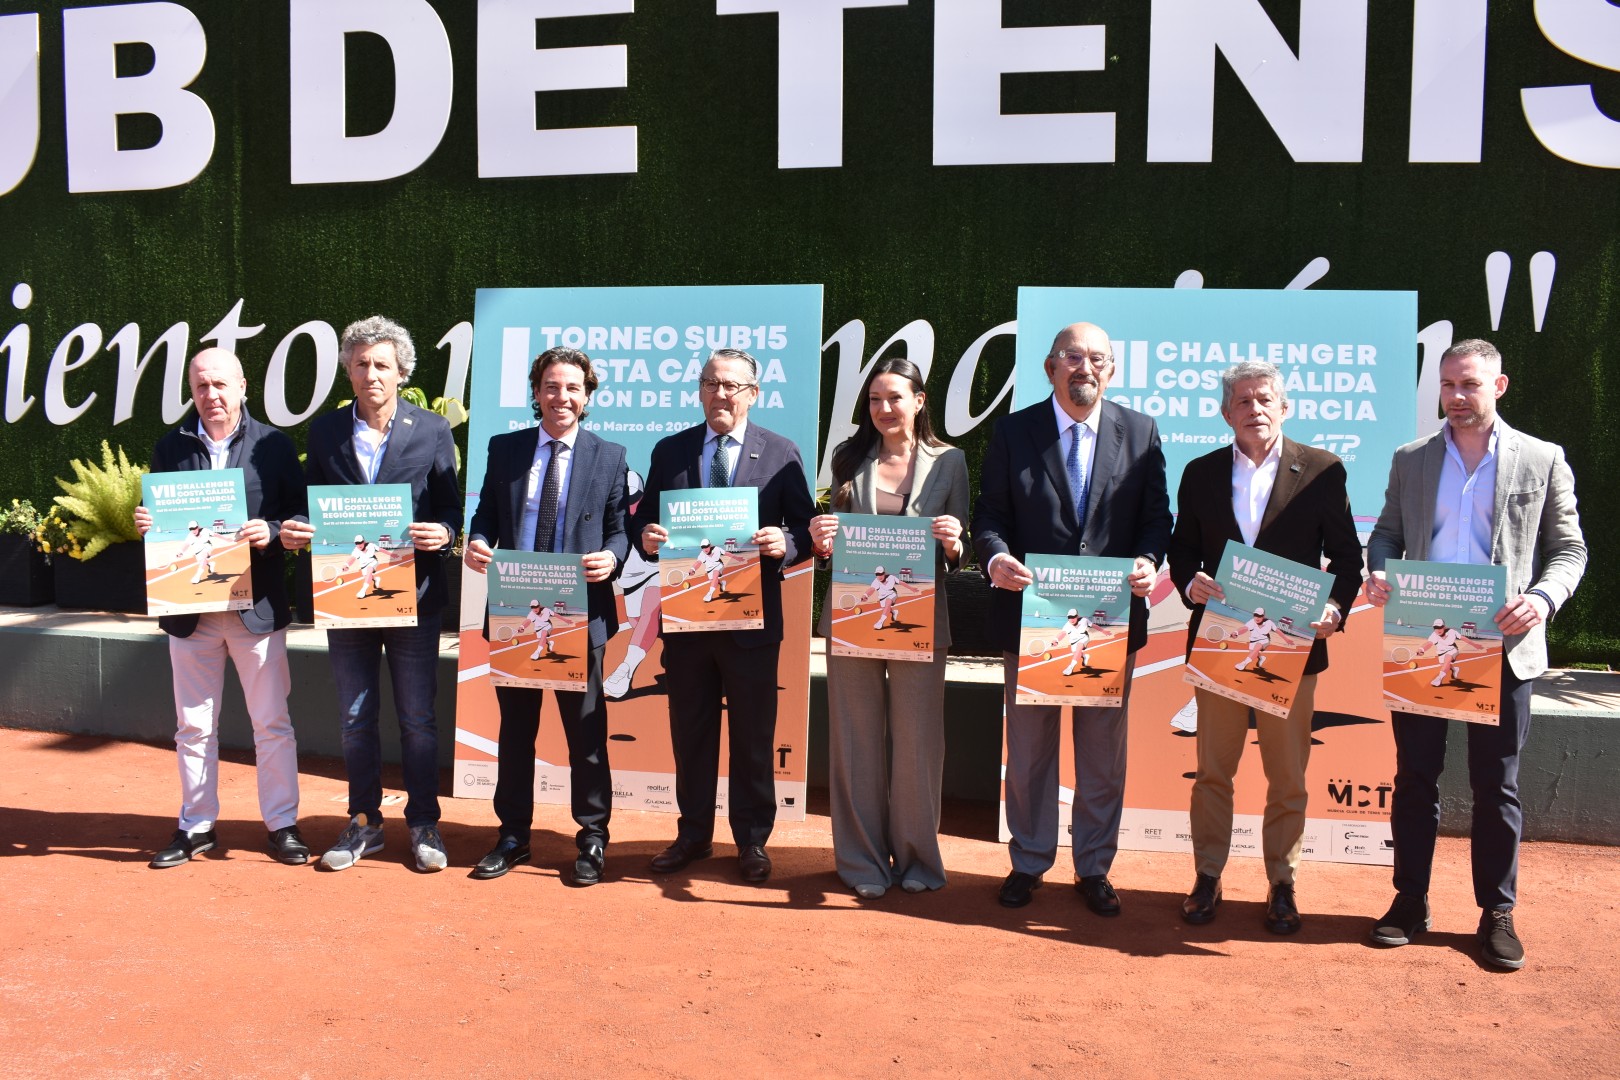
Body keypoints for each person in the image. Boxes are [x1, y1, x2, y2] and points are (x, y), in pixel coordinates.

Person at [1365, 338, 1585, 970]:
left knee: (1497, 786)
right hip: (1422, 638)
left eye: (1470, 385)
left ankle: (1497, 912)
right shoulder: (1411, 458)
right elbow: (1387, 534)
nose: (1457, 397)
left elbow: (1569, 549)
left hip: (1505, 645)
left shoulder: (1542, 458)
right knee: (1414, 779)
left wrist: (1541, 598)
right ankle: (1410, 900)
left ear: (1499, 386)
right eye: (1448, 385)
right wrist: (1378, 571)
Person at [972, 322, 1172, 913]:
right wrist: (996, 558)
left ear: (1111, 369)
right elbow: (990, 516)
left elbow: (1156, 518)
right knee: (1030, 753)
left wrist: (1148, 560)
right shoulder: (1014, 432)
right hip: (1032, 617)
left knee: (1101, 757)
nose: (1085, 367)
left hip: (1110, 620)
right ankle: (1029, 860)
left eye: (1097, 359)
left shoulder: (1140, 431)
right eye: (1073, 357)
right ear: (1050, 367)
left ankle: (1094, 867)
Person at [1167, 359, 1362, 933]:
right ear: (1226, 412)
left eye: (1264, 399)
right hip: (1221, 641)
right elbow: (1182, 551)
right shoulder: (1200, 472)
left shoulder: (1323, 470)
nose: (1255, 409)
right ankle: (1207, 876)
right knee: (1213, 772)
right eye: (1243, 401)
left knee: (1288, 776)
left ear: (1284, 407)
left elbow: (1347, 559)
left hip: (1293, 647)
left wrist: (1334, 608)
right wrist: (1190, 583)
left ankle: (1282, 882)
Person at [279, 316, 462, 874]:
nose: (371, 374)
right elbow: (310, 503)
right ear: (349, 372)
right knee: (355, 718)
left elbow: (450, 506)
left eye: (382, 364)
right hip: (346, 597)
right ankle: (364, 822)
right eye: (361, 364)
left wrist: (444, 533)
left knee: (418, 719)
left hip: (414, 595)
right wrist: (297, 527)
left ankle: (423, 821)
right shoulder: (325, 432)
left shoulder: (432, 429)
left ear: (401, 372)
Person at [631, 347, 815, 884]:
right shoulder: (671, 451)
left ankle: (752, 840)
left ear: (753, 394)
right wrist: (647, 537)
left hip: (752, 624)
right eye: (711, 383)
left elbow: (805, 529)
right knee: (691, 732)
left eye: (732, 385)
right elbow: (644, 522)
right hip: (687, 623)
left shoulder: (780, 452)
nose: (720, 393)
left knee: (753, 736)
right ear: (700, 390)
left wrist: (785, 542)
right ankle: (693, 834)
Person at [134, 348, 308, 869]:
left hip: (256, 609)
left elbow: (300, 516)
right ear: (192, 391)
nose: (211, 395)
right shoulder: (170, 447)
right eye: (201, 386)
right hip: (191, 613)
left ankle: (282, 824)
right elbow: (163, 524)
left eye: (220, 384)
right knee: (192, 726)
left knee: (271, 722)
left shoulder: (274, 445)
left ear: (242, 387)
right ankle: (196, 826)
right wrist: (148, 525)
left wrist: (272, 531)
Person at [463, 347, 628, 887]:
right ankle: (512, 836)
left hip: (581, 611)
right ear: (536, 393)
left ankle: (593, 837)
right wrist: (478, 540)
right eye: (552, 386)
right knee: (516, 732)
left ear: (587, 394)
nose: (562, 397)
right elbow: (487, 513)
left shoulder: (610, 455)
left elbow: (618, 529)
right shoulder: (505, 448)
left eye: (573, 388)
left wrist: (613, 557)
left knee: (586, 735)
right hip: (517, 607)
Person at [808, 357, 969, 900]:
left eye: (894, 397)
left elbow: (961, 552)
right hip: (854, 613)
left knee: (919, 743)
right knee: (854, 741)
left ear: (919, 401)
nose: (883, 408)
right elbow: (836, 543)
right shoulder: (848, 457)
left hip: (921, 618)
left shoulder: (950, 462)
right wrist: (822, 541)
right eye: (874, 399)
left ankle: (919, 858)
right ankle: (862, 863)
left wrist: (954, 542)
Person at [1234, 607, 1279, 672]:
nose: (1257, 617)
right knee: (1252, 652)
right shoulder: (1252, 622)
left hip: (1265, 640)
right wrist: (1236, 632)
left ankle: (1243, 663)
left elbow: (1276, 630)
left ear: (1263, 616)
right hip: (1255, 640)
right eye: (1255, 615)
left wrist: (1286, 639)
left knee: (1257, 647)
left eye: (1259, 616)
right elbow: (1245, 628)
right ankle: (1261, 658)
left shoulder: (1268, 622)